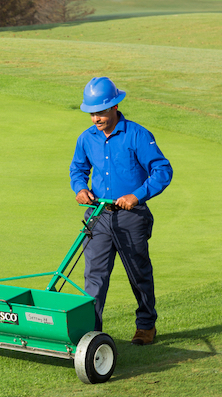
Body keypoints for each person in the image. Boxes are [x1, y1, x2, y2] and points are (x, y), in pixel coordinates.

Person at [69, 77, 173, 345]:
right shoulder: (86, 138)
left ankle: (146, 325)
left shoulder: (137, 135)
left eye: (100, 112)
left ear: (114, 107)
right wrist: (80, 188)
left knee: (138, 272)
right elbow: (78, 170)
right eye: (92, 113)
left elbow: (162, 171)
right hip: (98, 215)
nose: (96, 118)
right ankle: (91, 335)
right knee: (94, 276)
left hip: (131, 217)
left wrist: (137, 196)